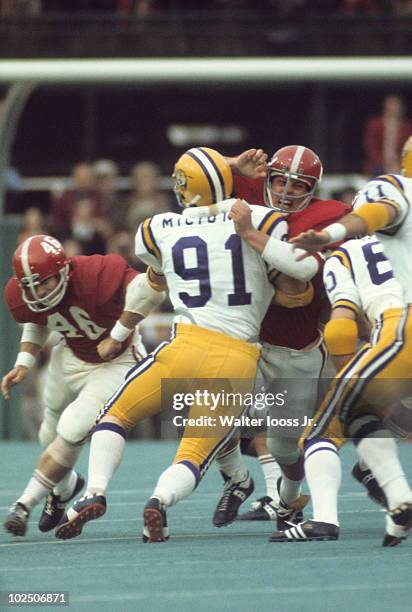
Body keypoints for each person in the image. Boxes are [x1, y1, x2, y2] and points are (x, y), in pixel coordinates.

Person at [55, 146, 320, 543]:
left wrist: (118, 333)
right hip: (237, 356)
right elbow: (304, 268)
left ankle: (93, 492)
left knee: (113, 415)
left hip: (183, 346)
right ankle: (159, 501)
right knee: (195, 452)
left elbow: (152, 278)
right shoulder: (264, 219)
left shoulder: (157, 228)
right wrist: (249, 231)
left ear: (180, 189)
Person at [273, 145, 412, 543]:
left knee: (322, 429)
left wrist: (352, 375)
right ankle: (398, 502)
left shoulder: (348, 251)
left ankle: (325, 519)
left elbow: (338, 331)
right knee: (364, 417)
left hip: (400, 331)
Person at [213, 145, 350, 526]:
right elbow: (189, 169)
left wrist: (250, 234)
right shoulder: (247, 189)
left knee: (284, 444)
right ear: (268, 178)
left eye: (299, 185)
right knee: (211, 410)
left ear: (314, 188)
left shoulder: (326, 215)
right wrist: (230, 164)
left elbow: (300, 279)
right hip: (241, 337)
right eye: (280, 181)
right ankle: (239, 480)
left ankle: (288, 497)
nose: (287, 191)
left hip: (294, 346)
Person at [2, 234, 165, 536]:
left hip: (115, 362)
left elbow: (149, 291)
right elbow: (38, 315)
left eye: (44, 282)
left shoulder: (97, 274)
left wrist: (117, 334)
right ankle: (64, 489)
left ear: (64, 270)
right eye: (29, 286)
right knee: (47, 432)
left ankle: (23, 504)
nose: (37, 292)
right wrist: (24, 361)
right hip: (70, 355)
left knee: (74, 426)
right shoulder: (22, 294)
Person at [363, 93, 412, 176]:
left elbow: (408, 148)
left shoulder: (406, 127)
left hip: (399, 165)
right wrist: (385, 164)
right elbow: (371, 147)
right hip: (377, 165)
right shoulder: (375, 124)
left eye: (396, 105)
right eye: (391, 105)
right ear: (385, 106)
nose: (393, 108)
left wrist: (399, 163)